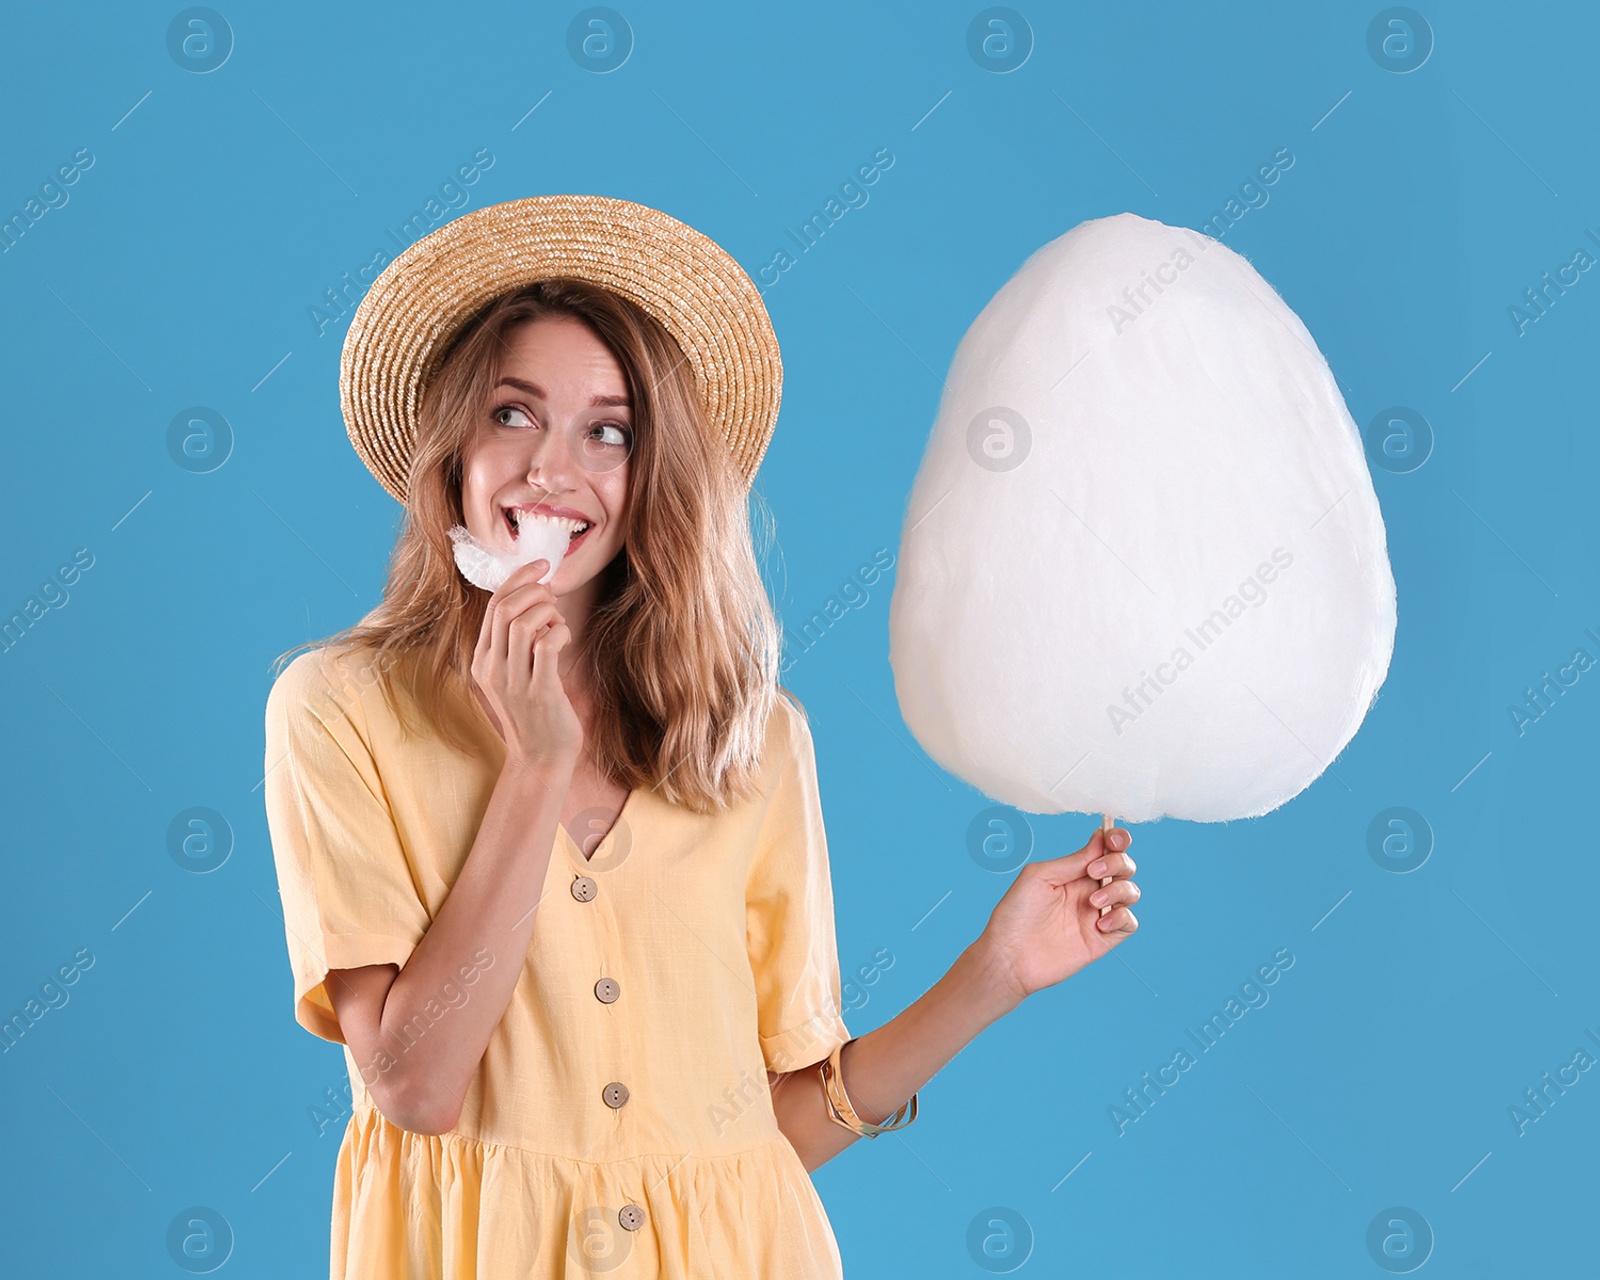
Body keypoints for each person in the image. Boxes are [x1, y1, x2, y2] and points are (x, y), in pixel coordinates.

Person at [262, 195, 1141, 1279]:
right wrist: (535, 763)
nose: (553, 467)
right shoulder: (341, 709)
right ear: (450, 451)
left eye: (609, 430)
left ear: (652, 478)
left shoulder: (754, 736)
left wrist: (995, 970)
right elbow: (414, 1081)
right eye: (511, 413)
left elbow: (775, 1127)